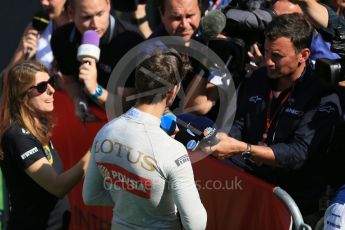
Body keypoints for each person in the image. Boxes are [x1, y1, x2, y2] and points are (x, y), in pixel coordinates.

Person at [209, 13, 340, 227]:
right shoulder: (259, 78)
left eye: (277, 56)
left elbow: (299, 153)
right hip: (249, 185)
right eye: (267, 51)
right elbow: (239, 125)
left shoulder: (322, 93)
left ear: (303, 55)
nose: (268, 61)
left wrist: (245, 149)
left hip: (292, 200)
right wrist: (223, 139)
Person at [83, 49, 207, 229]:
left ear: (138, 83)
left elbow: (91, 196)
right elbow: (196, 224)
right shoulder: (172, 150)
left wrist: (130, 201)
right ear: (173, 90)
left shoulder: (106, 131)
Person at [0, 60, 90, 229]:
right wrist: (96, 150)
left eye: (51, 82)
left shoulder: (36, 127)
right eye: (42, 87)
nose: (51, 90)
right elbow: (57, 186)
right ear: (22, 96)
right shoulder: (18, 137)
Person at [51, 0, 144, 110]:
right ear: (71, 13)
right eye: (86, 17)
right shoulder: (61, 38)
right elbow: (70, 82)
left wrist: (95, 90)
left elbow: (130, 105)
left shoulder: (131, 41)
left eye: (100, 14)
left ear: (109, 5)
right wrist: (78, 101)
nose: (95, 24)